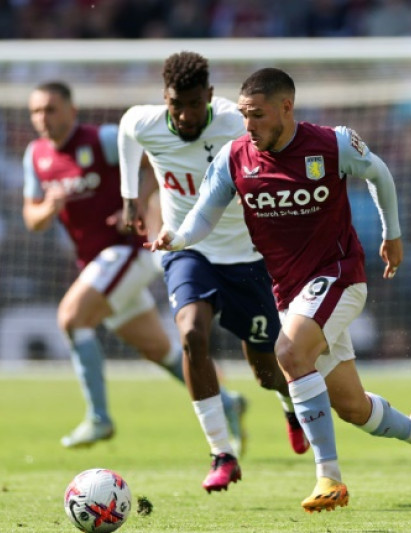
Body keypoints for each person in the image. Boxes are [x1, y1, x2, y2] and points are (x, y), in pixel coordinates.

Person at [148, 67, 411, 512]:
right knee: (353, 408)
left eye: (256, 115)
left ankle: (329, 478)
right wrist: (175, 237)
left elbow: (380, 173)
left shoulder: (331, 143)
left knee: (289, 353)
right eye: (243, 115)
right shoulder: (235, 158)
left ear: (286, 108)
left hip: (338, 275)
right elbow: (203, 217)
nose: (247, 125)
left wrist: (393, 235)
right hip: (292, 294)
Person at [119, 52, 309, 494]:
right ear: (164, 98)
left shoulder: (233, 122)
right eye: (175, 104)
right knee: (191, 334)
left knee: (266, 367)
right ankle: (222, 453)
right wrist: (130, 197)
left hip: (248, 256)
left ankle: (289, 405)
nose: (184, 115)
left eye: (193, 104)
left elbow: (280, 146)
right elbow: (127, 136)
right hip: (187, 250)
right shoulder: (144, 122)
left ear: (209, 95)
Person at [22, 81, 246, 448]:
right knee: (159, 351)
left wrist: (137, 201)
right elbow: (32, 218)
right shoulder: (35, 156)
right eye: (36, 111)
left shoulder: (104, 139)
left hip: (129, 250)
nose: (43, 118)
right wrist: (49, 207)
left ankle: (99, 418)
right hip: (96, 262)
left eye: (50, 109)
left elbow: (155, 160)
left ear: (71, 110)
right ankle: (228, 401)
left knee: (72, 319)